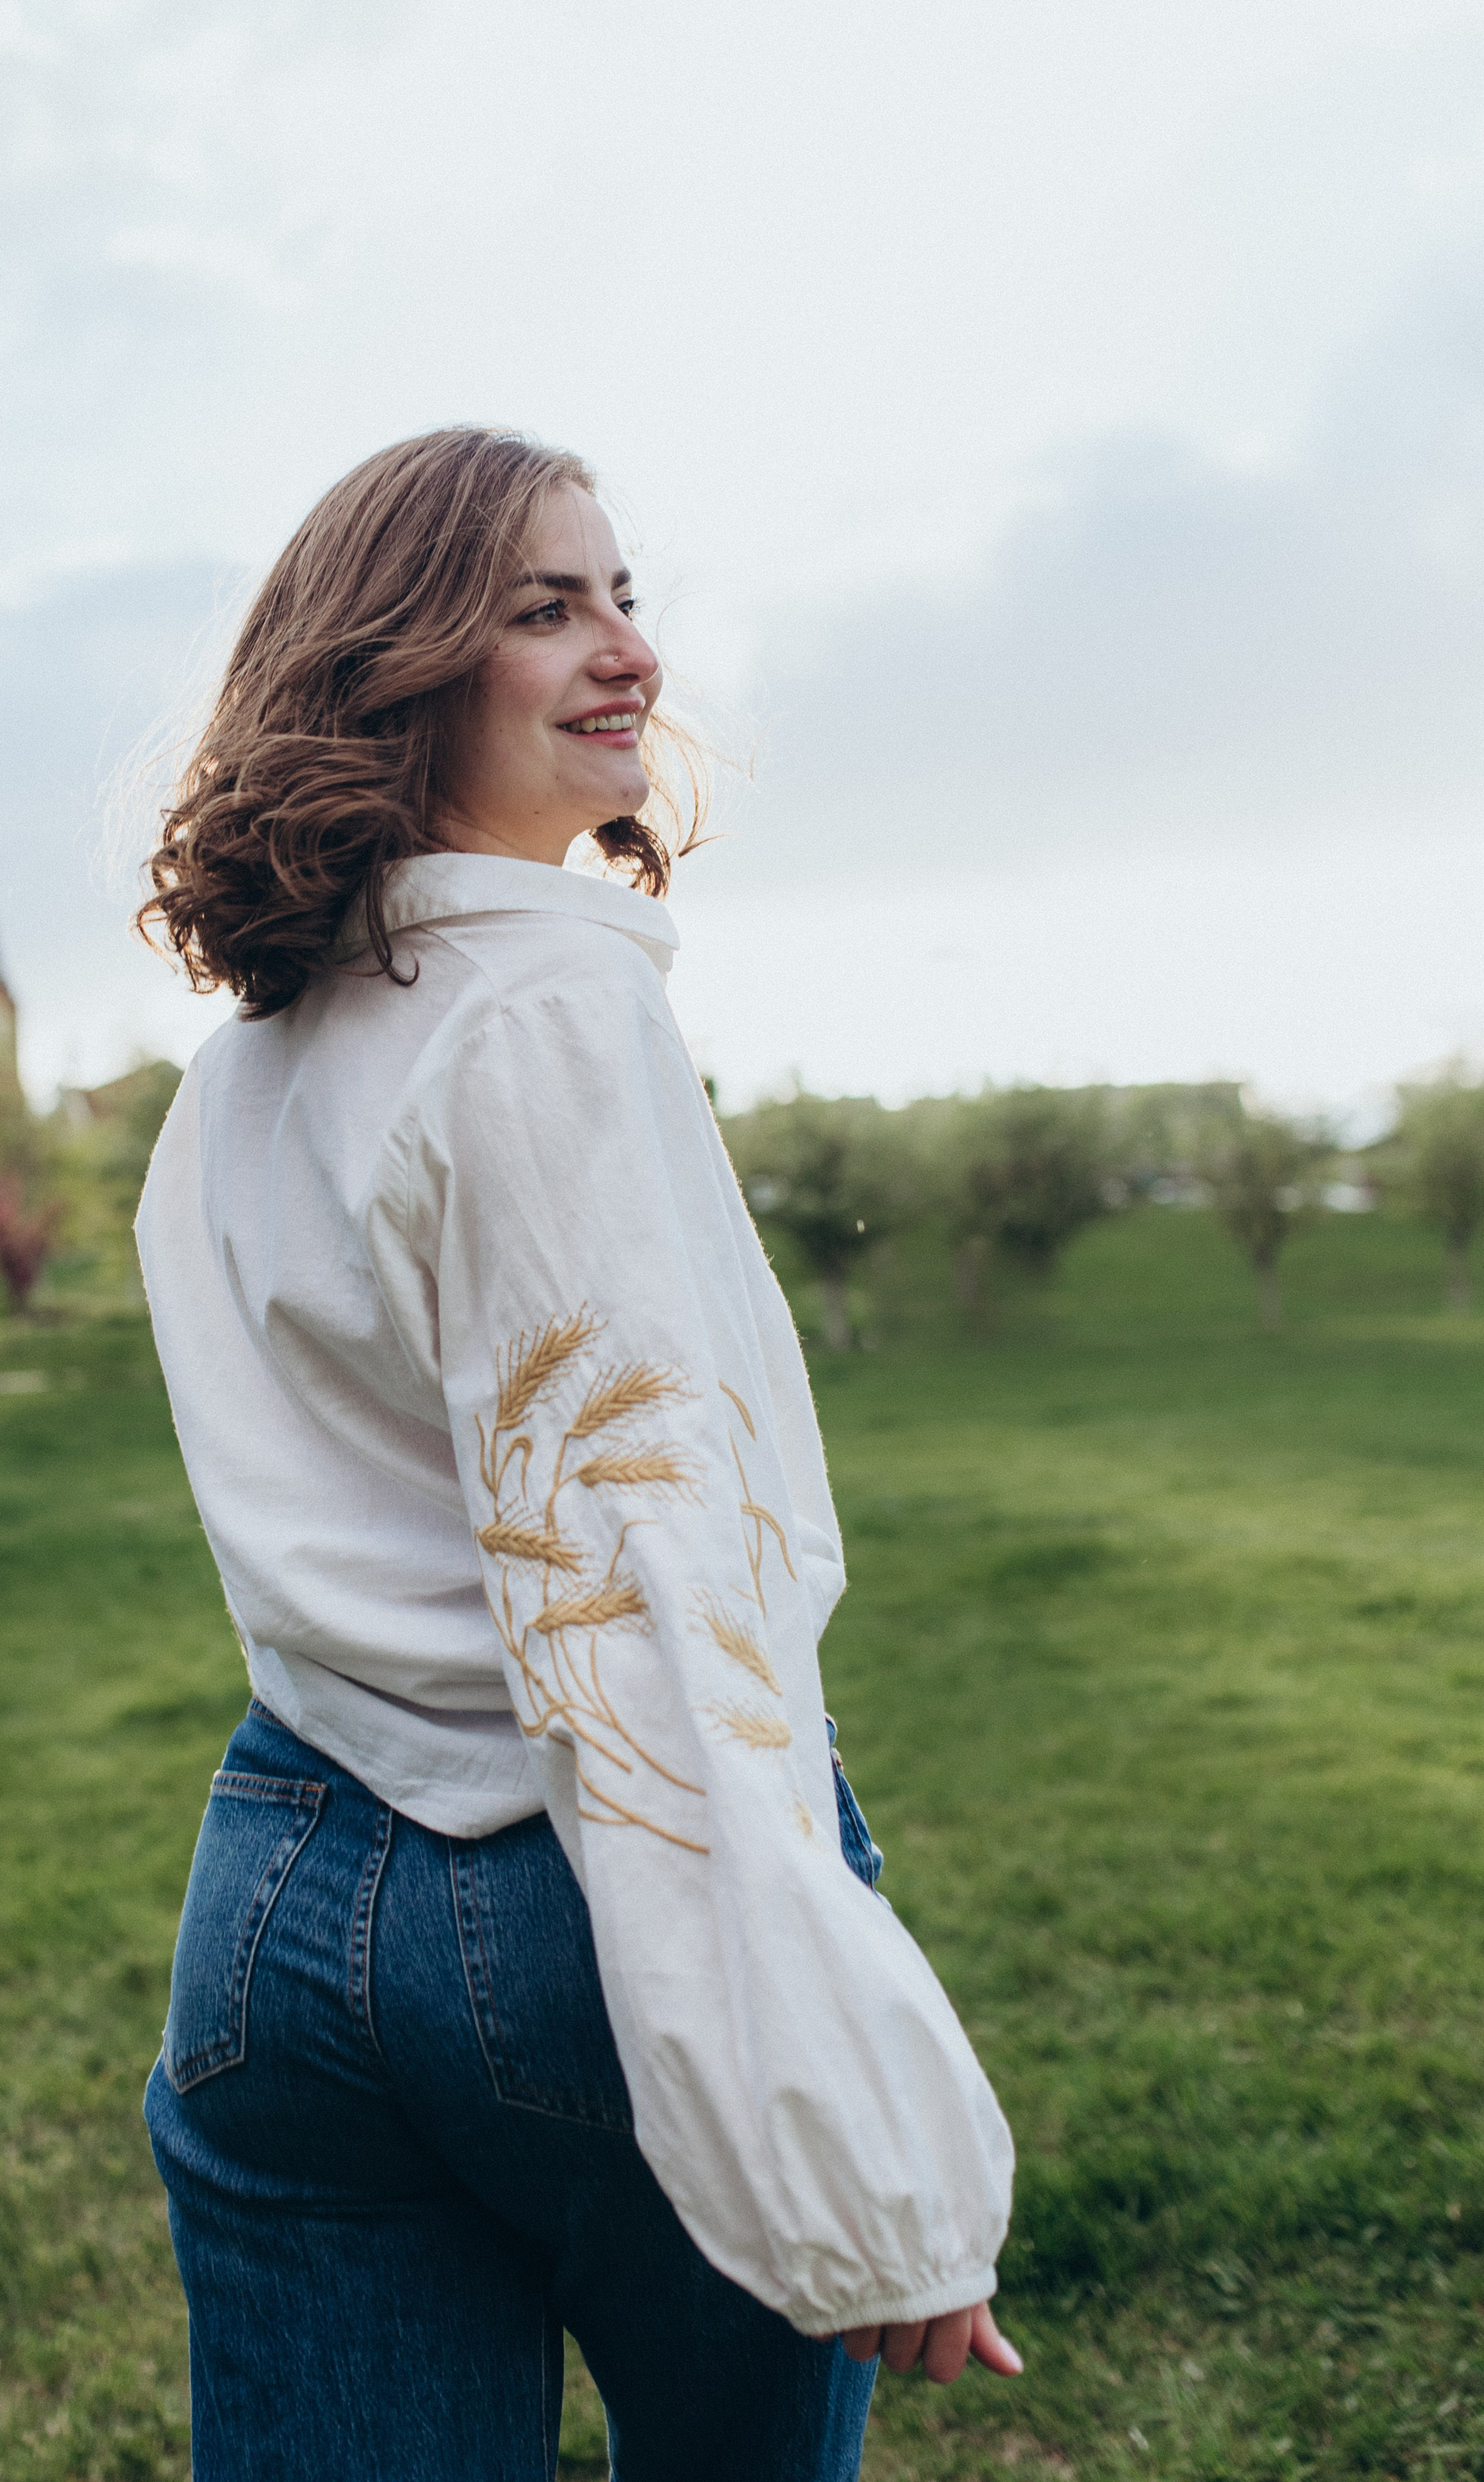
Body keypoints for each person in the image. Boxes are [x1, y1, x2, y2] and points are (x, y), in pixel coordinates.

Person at [133, 428, 1017, 2482]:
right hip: (565, 1908)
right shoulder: (542, 1015)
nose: (624, 649)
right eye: (546, 607)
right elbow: (643, 1596)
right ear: (402, 662)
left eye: (626, 596)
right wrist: (857, 2158)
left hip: (275, 1896)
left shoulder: (238, 1081)